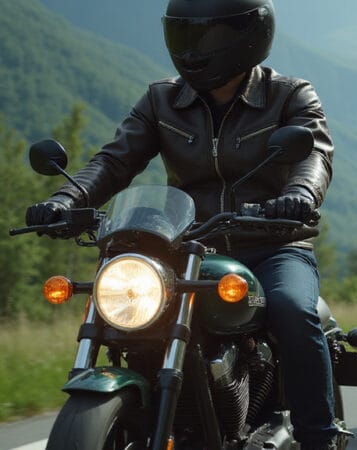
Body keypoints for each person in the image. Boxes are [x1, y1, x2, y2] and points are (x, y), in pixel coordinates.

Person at [24, 1, 338, 448]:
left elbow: (314, 155)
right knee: (131, 315)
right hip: (187, 247)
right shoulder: (161, 100)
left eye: (206, 36)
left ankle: (319, 437)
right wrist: (65, 201)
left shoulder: (290, 95)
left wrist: (300, 196)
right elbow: (115, 161)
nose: (192, 49)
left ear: (247, 36)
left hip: (273, 243)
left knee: (292, 309)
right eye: (183, 35)